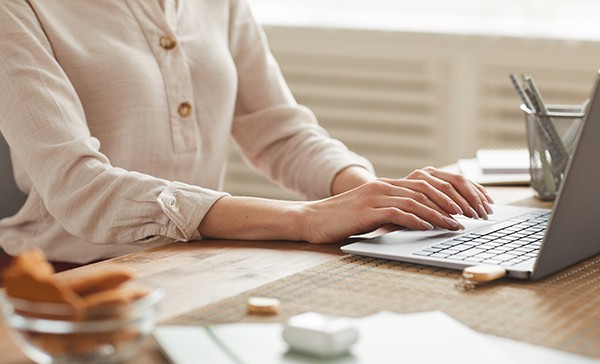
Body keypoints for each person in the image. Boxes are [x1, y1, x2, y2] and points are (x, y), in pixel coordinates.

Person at [0, 0, 494, 268]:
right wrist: (305, 218)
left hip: (194, 263)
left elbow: (278, 129)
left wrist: (371, 195)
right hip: (66, 280)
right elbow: (80, 190)